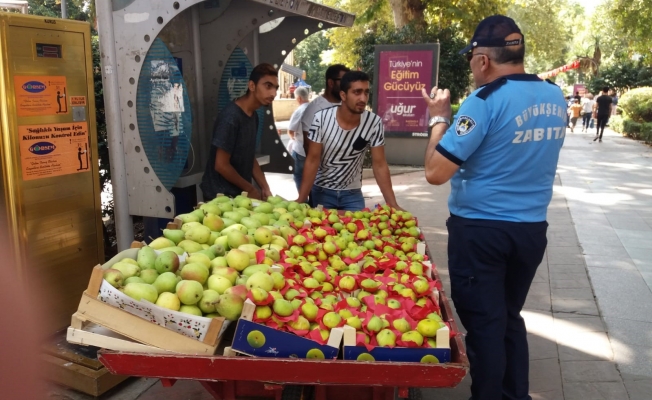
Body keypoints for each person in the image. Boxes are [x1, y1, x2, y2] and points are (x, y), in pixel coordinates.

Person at [421, 15, 565, 400]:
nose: (471, 66)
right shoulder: (555, 96)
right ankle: (514, 394)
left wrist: (439, 118)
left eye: (471, 58)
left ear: (483, 60)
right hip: (531, 230)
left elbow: (435, 172)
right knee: (508, 317)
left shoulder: (483, 102)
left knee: (485, 324)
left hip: (482, 232)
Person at [296, 71, 401, 211]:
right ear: (343, 95)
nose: (363, 98)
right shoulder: (320, 119)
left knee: (359, 232)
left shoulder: (374, 122)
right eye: (357, 92)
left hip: (353, 195)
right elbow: (312, 159)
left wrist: (392, 204)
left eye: (366, 92)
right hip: (322, 192)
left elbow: (380, 164)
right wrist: (302, 199)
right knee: (321, 232)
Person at [200, 63, 278, 200]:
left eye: (275, 88)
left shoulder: (254, 116)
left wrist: (265, 187)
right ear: (252, 86)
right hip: (219, 197)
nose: (273, 93)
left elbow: (249, 156)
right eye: (268, 86)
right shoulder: (231, 117)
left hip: (239, 196)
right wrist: (250, 188)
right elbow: (221, 165)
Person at [300, 64, 351, 157]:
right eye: (343, 81)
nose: (347, 86)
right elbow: (309, 147)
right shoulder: (315, 109)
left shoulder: (346, 105)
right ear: (331, 83)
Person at [287, 86, 311, 192]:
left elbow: (290, 131)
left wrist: (293, 138)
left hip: (301, 151)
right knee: (313, 178)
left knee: (299, 176)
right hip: (315, 151)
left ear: (299, 98)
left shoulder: (299, 111)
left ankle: (303, 200)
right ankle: (313, 201)